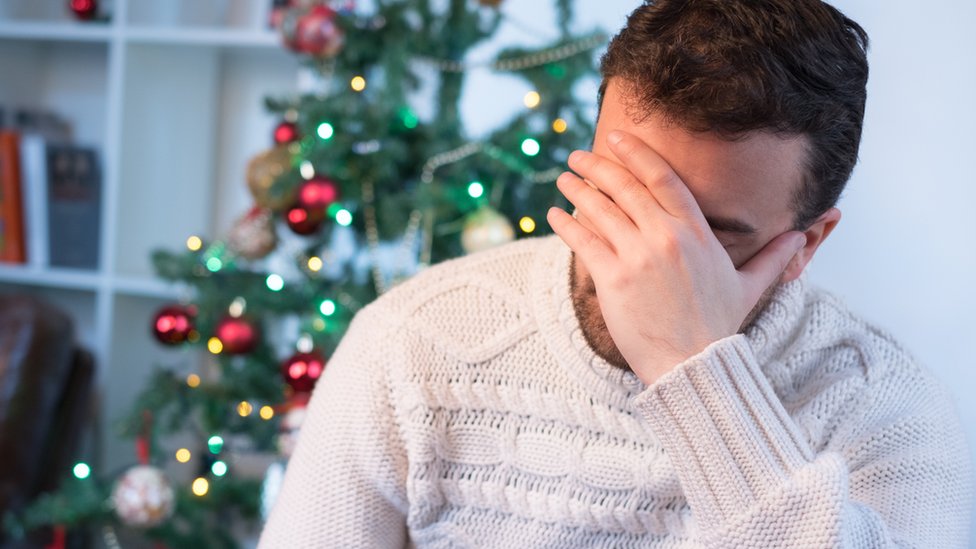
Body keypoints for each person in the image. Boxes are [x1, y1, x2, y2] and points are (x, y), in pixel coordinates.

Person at [259, 0, 974, 546]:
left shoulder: (892, 412)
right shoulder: (410, 344)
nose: (648, 260)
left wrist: (695, 368)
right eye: (622, 195)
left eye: (709, 237)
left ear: (807, 243)